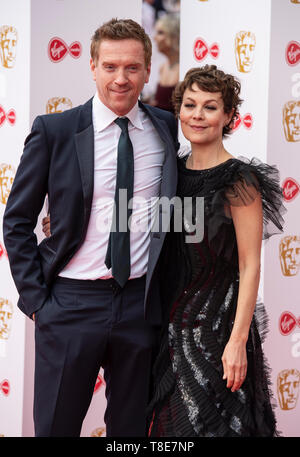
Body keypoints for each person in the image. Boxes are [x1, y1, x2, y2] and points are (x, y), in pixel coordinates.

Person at [3, 18, 179, 437]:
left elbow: (173, 211)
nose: (121, 78)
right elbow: (17, 221)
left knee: (132, 432)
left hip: (139, 304)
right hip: (70, 304)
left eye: (132, 68)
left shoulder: (165, 127)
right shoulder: (56, 131)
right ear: (93, 66)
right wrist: (38, 303)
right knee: (55, 428)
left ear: (147, 69)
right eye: (111, 66)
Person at [148, 65, 285, 437]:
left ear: (228, 116)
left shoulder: (238, 179)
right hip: (170, 333)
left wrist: (238, 340)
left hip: (219, 333)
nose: (197, 115)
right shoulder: (169, 172)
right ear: (178, 111)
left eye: (210, 107)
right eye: (190, 105)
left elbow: (250, 263)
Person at [144, 13, 180, 114]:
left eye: (160, 33)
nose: (155, 38)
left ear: (174, 36)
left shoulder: (183, 69)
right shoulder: (163, 67)